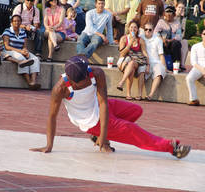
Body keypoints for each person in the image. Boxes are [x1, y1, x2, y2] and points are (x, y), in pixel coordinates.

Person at [29, 54, 191, 160]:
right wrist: (49, 145)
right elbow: (52, 117)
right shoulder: (60, 89)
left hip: (101, 109)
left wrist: (104, 136)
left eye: (88, 71)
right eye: (85, 76)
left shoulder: (96, 73)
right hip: (91, 121)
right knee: (132, 130)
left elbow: (103, 103)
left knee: (136, 110)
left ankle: (100, 136)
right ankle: (172, 147)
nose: (89, 74)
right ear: (74, 82)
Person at [2, 15, 41, 90]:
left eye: (18, 21)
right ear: (12, 22)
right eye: (15, 21)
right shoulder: (7, 31)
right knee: (22, 58)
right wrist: (20, 51)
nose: (17, 22)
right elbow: (7, 46)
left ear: (21, 22)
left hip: (20, 51)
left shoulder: (23, 32)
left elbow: (24, 46)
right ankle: (29, 83)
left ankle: (33, 81)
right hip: (9, 51)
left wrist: (25, 51)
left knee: (35, 59)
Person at [116, 20, 149, 101]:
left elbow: (144, 53)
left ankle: (122, 83)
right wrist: (130, 44)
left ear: (137, 29)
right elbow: (122, 54)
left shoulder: (140, 40)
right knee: (132, 68)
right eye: (131, 27)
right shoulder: (124, 38)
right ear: (128, 28)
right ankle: (129, 94)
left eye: (135, 27)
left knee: (138, 67)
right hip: (124, 60)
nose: (133, 29)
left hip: (137, 60)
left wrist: (148, 65)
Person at [141, 23, 166, 101]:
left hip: (156, 62)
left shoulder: (158, 39)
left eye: (150, 30)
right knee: (141, 71)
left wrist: (165, 67)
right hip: (145, 62)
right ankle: (139, 94)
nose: (148, 31)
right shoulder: (141, 38)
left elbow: (161, 55)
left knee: (159, 72)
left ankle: (150, 95)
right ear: (143, 30)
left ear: (153, 31)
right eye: (146, 29)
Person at [154, 5, 182, 70]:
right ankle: (162, 65)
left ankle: (176, 66)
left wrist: (170, 40)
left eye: (170, 13)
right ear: (164, 14)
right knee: (159, 44)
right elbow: (155, 33)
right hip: (163, 41)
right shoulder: (161, 22)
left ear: (174, 15)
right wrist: (162, 39)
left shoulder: (177, 23)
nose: (168, 15)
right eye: (167, 13)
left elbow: (179, 35)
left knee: (176, 44)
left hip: (172, 42)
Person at [186, 29, 205, 106]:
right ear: (201, 35)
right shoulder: (195, 46)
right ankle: (194, 99)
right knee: (189, 78)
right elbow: (193, 62)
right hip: (198, 67)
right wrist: (203, 70)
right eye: (204, 34)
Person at [175, 1, 188, 71]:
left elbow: (183, 33)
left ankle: (182, 64)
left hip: (178, 38)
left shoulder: (183, 19)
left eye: (183, 8)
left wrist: (182, 19)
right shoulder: (171, 16)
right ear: (176, 8)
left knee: (185, 42)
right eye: (179, 7)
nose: (181, 9)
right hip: (170, 38)